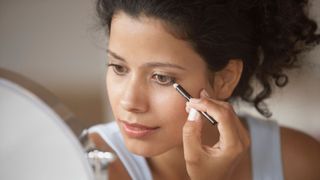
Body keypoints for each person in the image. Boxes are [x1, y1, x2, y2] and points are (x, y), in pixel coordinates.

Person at [88, 0, 320, 179]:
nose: (129, 101)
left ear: (224, 79)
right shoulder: (87, 165)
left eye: (161, 77)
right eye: (118, 67)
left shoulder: (300, 163)